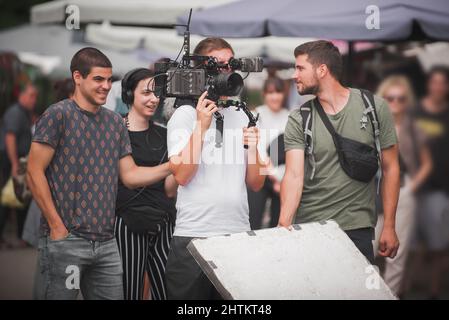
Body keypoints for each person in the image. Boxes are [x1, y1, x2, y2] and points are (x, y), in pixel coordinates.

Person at [27, 47, 171, 300]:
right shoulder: (57, 115)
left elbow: (130, 175)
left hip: (107, 243)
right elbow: (33, 172)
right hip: (67, 239)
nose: (106, 86)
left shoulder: (115, 123)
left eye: (108, 79)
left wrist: (174, 165)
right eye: (98, 79)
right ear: (77, 77)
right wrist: (56, 226)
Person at [279, 40, 400, 264]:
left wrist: (390, 226)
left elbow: (391, 168)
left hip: (358, 227)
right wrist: (283, 226)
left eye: (300, 68)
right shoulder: (299, 118)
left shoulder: (374, 107)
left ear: (322, 70)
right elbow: (294, 176)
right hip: (311, 228)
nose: (295, 75)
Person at [165, 37, 267, 300]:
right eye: (218, 64)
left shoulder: (246, 114)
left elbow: (257, 183)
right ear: (200, 69)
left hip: (238, 232)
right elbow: (182, 176)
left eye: (230, 64)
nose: (227, 70)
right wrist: (201, 126)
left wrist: (254, 148)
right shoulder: (185, 115)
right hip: (193, 235)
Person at [114, 68, 177, 300]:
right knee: (129, 290)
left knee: (167, 290)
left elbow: (170, 189)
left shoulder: (165, 134)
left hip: (164, 222)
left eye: (156, 93)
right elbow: (129, 178)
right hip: (128, 222)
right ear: (130, 94)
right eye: (146, 93)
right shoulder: (115, 129)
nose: (154, 99)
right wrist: (173, 165)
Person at [373, 75, 432, 296]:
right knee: (366, 248)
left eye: (401, 98)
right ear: (383, 98)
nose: (395, 103)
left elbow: (427, 163)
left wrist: (411, 188)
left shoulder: (413, 127)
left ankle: (390, 295)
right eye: (390, 98)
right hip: (374, 192)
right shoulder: (372, 126)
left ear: (408, 101)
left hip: (403, 192)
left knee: (397, 254)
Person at [412, 66, 449, 299]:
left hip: (440, 189)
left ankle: (434, 290)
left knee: (438, 244)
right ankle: (405, 288)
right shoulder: (414, 112)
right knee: (412, 245)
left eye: (442, 83)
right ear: (429, 84)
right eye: (434, 82)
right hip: (412, 188)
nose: (437, 87)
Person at [248, 77, 289, 229]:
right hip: (260, 174)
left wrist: (280, 179)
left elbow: (291, 151)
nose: (274, 96)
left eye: (278, 92)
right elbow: (257, 146)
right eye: (270, 92)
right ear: (264, 94)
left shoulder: (290, 116)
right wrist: (272, 174)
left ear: (283, 94)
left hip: (283, 177)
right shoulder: (256, 114)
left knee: (279, 225)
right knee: (254, 222)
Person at [0, 83, 38, 249]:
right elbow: (10, 138)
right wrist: (14, 163)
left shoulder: (25, 112)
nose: (34, 100)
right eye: (31, 96)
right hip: (12, 160)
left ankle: (22, 236)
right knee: (9, 197)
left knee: (20, 196)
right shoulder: (15, 112)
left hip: (21, 159)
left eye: (35, 96)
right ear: (21, 95)